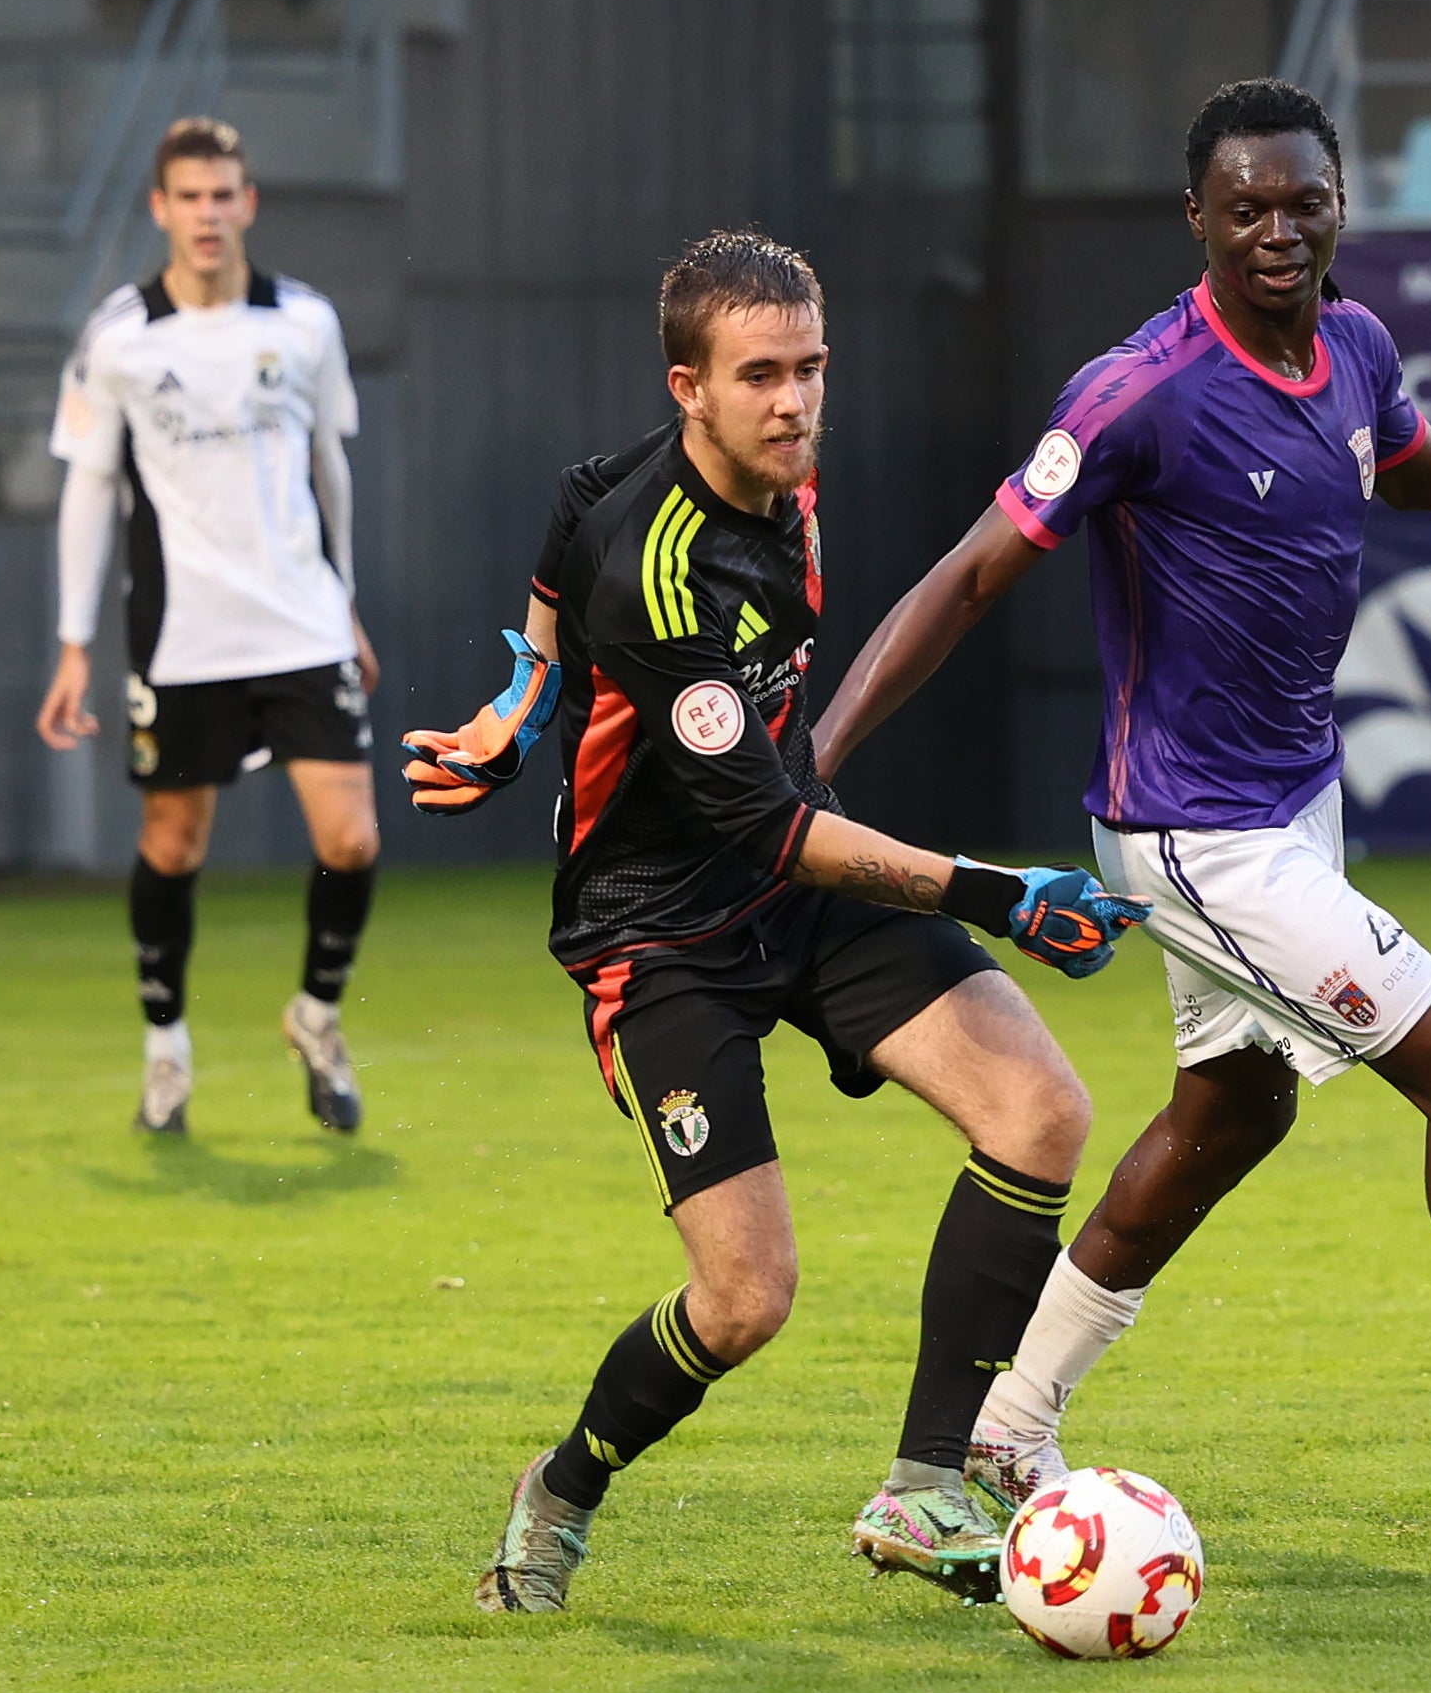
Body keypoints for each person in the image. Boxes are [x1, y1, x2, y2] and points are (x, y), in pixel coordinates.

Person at [814, 78, 1431, 1524]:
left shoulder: (1354, 346)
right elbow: (970, 571)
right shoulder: (1137, 389)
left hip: (1293, 804)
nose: (1278, 229)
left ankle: (1008, 1429)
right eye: (1247, 206)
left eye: (1303, 201)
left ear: (1341, 205)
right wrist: (819, 752)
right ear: (1198, 219)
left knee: (1235, 1109)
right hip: (1188, 832)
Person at [399, 230, 1144, 1613]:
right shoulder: (664, 566)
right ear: (689, 384)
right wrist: (1003, 894)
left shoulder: (766, 487)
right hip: (661, 932)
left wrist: (521, 707)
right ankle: (562, 1485)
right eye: (761, 376)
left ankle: (929, 1485)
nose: (796, 401)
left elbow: (555, 561)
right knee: (746, 1299)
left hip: (797, 895)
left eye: (810, 368)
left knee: (1039, 1109)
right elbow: (773, 823)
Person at [34, 116, 379, 1138]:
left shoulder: (307, 323)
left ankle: (315, 1017)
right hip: (183, 636)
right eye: (189, 197)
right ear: (161, 208)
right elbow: (88, 492)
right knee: (174, 845)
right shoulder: (119, 337)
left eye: (224, 194)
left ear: (248, 203)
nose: (208, 214)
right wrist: (72, 643)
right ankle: (166, 1051)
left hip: (304, 623)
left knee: (352, 838)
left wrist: (346, 598)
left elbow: (331, 470)